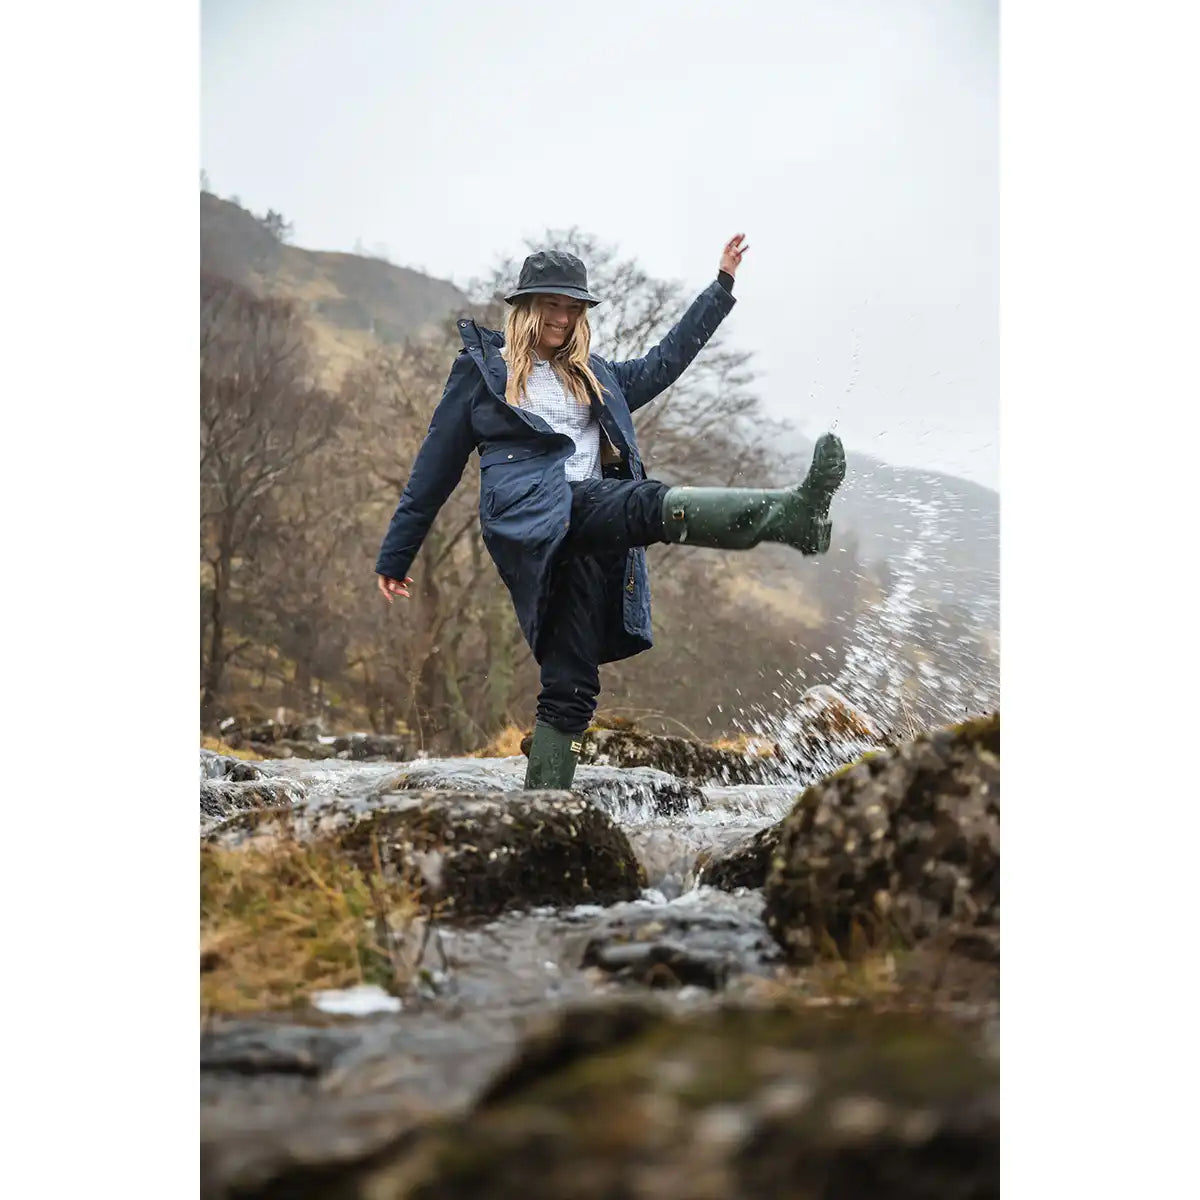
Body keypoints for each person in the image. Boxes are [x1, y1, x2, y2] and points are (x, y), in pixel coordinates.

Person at [375, 235, 846, 789]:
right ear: (526, 308)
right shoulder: (483, 373)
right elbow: (434, 468)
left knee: (572, 678)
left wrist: (720, 287)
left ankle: (541, 809)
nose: (562, 317)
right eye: (552, 305)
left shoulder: (598, 376)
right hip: (532, 515)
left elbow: (668, 360)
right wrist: (397, 552)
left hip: (589, 526)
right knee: (641, 500)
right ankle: (791, 515)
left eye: (573, 308)